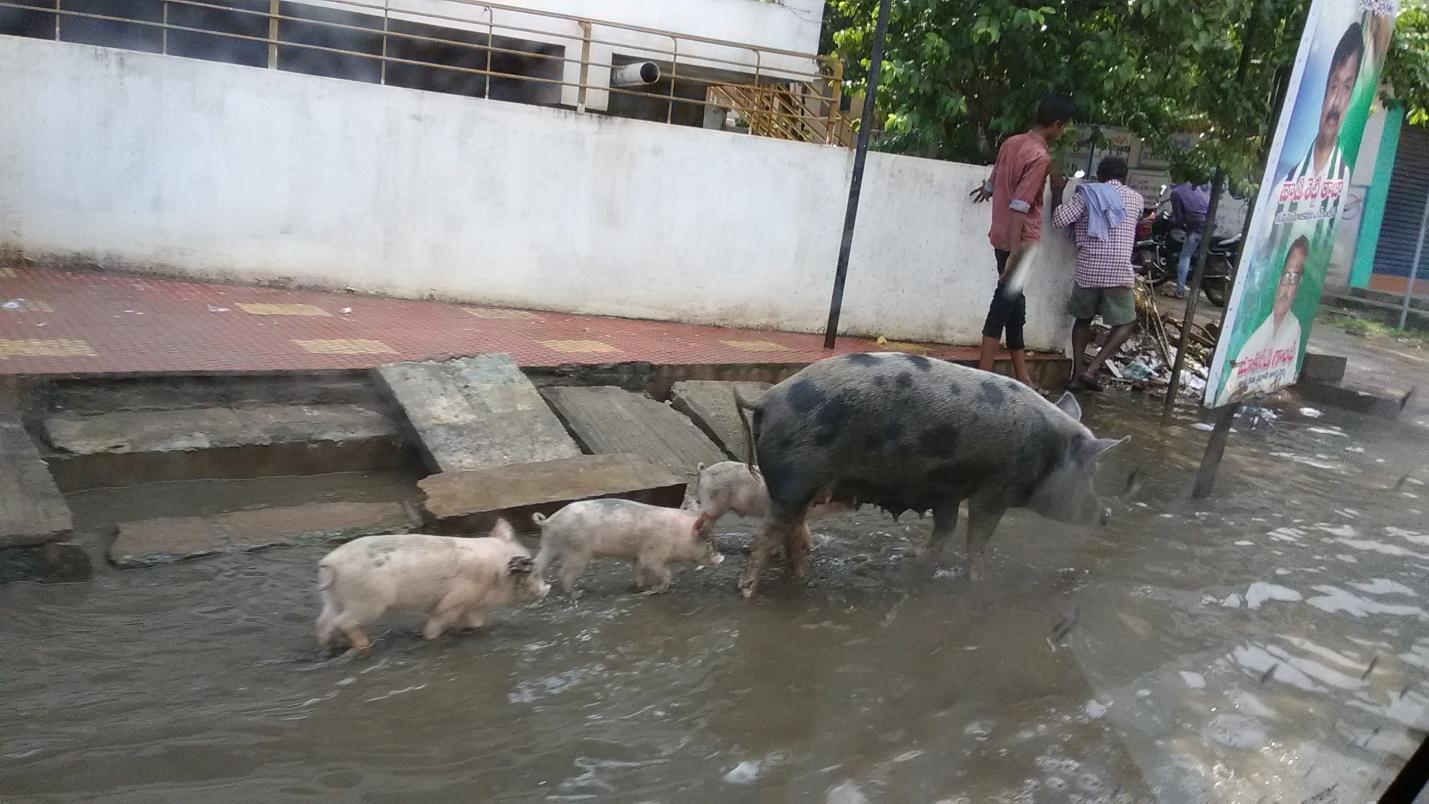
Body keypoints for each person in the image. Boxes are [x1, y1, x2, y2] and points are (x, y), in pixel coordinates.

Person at [970, 94, 1078, 388]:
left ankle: (1023, 376)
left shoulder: (1011, 142)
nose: (1064, 131)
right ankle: (981, 377)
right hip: (1021, 241)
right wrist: (1017, 251)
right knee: (1003, 306)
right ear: (1056, 124)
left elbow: (995, 179)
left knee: (1015, 306)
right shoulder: (1040, 157)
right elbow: (1020, 205)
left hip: (1001, 236)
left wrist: (989, 189)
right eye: (1064, 126)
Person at [1051, 156, 1145, 392]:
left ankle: (1076, 377)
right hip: (1119, 271)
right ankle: (1092, 370)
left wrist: (1057, 192)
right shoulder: (1136, 199)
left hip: (1089, 269)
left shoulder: (1086, 194)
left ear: (1099, 176)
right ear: (1125, 177)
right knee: (1126, 322)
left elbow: (1059, 220)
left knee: (1082, 320)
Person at [1277, 23, 1363, 225]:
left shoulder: (1341, 178)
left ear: (1352, 98)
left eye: (1346, 88)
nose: (1336, 101)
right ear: (1324, 91)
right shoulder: (1285, 176)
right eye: (1334, 86)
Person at [1220, 236, 1309, 403]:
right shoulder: (1252, 328)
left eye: (1295, 277)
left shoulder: (1294, 327)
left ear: (1300, 283)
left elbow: (1283, 378)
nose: (1287, 287)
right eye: (1285, 276)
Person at [1168, 177, 1210, 298]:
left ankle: (1179, 290)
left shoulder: (1175, 193)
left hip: (1197, 227)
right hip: (1210, 223)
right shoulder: (1194, 185)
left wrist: (1176, 221)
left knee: (1185, 256)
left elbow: (1178, 217)